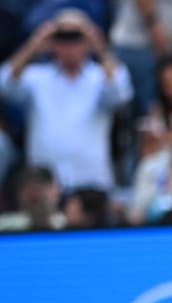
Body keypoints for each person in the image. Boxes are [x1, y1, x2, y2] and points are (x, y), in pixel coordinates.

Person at [0, 8, 133, 197]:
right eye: (62, 38)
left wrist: (99, 47)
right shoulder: (38, 77)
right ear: (52, 43)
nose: (70, 46)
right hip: (46, 185)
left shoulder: (100, 77)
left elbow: (121, 93)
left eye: (76, 38)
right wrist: (34, 44)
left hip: (91, 182)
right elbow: (5, 84)